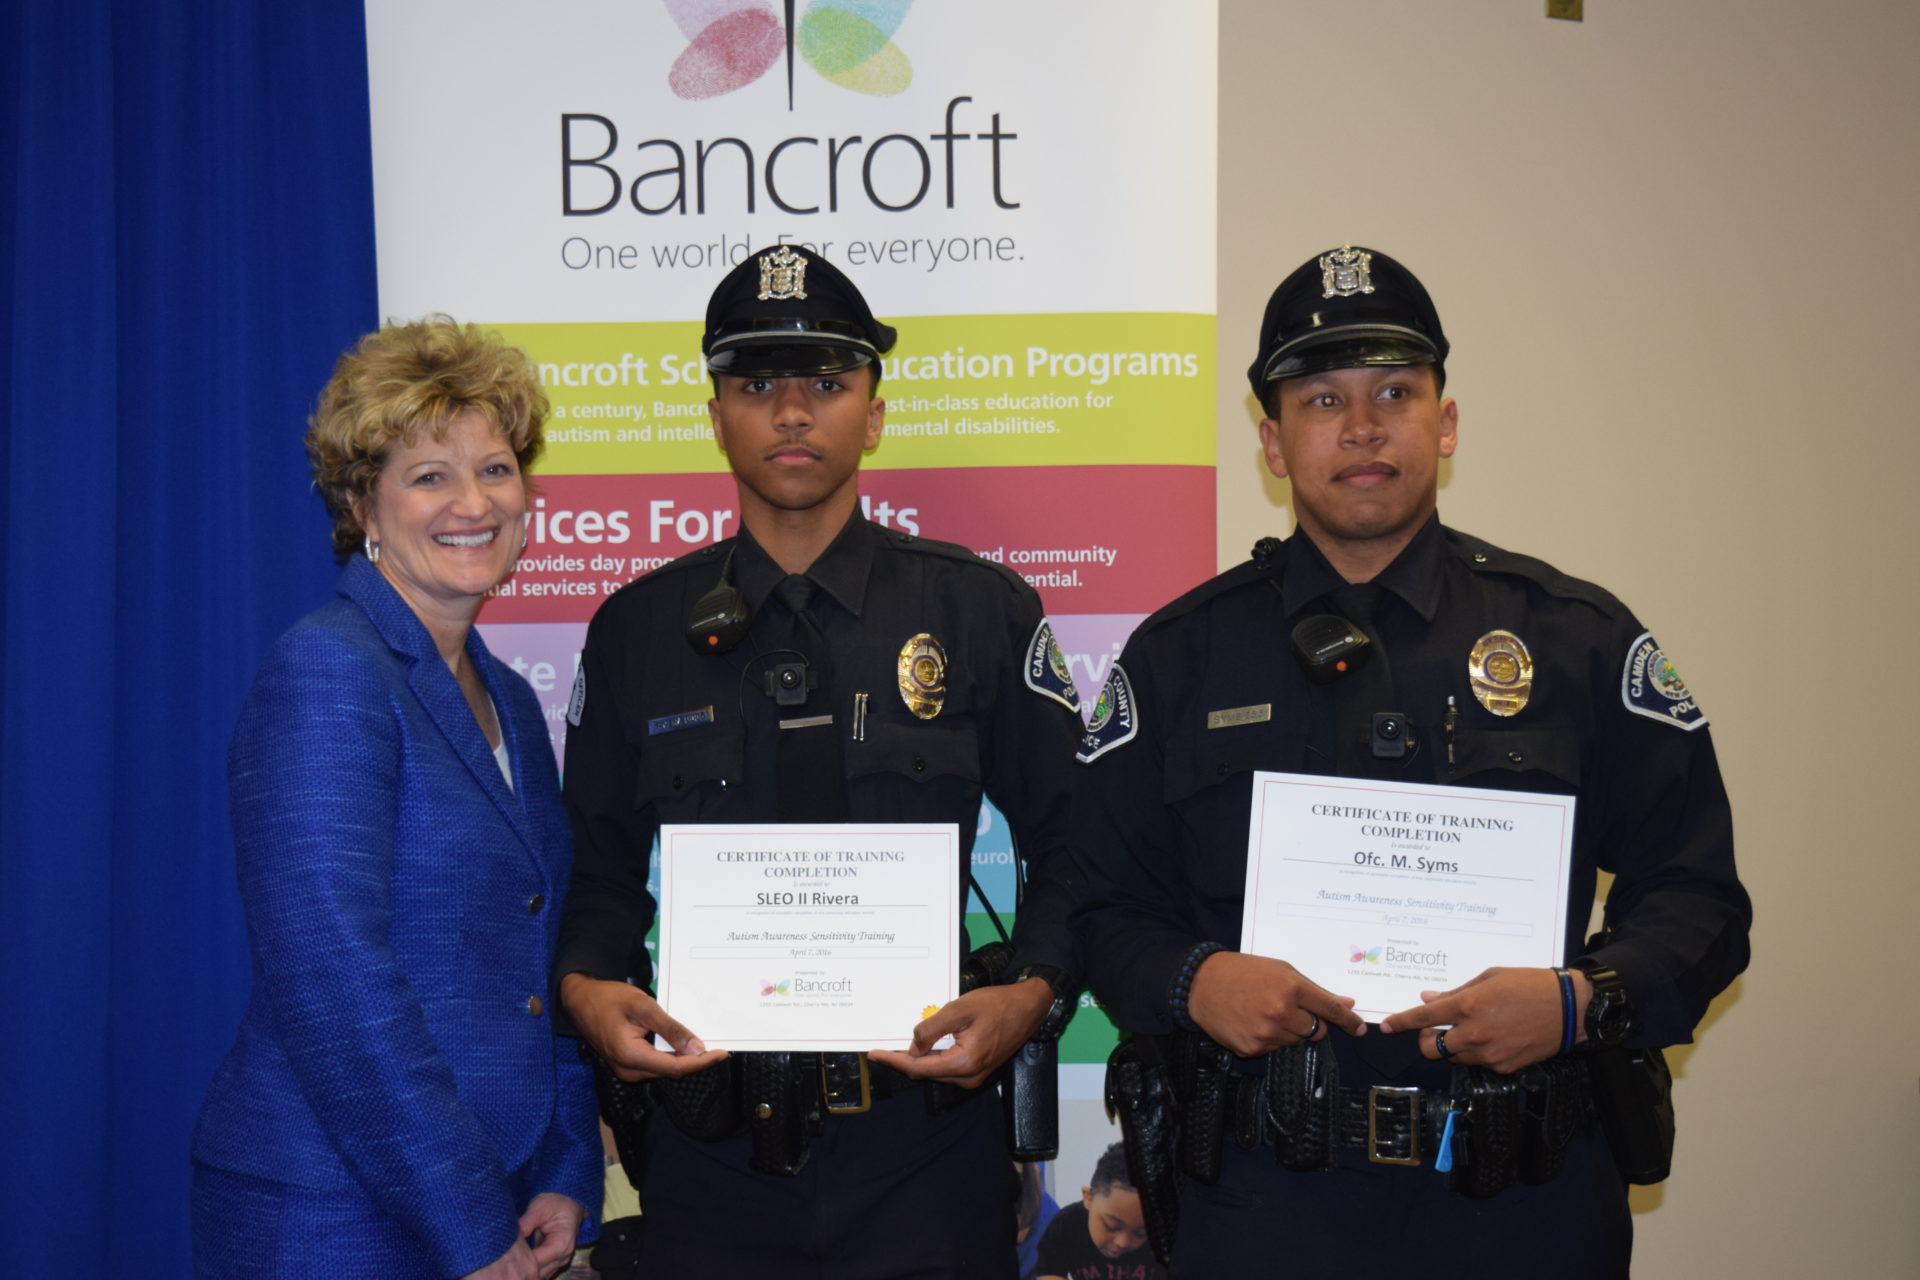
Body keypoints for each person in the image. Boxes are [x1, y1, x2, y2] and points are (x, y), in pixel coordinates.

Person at [1070, 246, 1750, 1276]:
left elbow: (1698, 896)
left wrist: (1581, 999)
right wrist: (1193, 979)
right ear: (1271, 438)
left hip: (1517, 1196)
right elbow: (1098, 898)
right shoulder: (1181, 657)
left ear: (1446, 419)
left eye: (1395, 390)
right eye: (1321, 398)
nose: (1362, 427)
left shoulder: (1573, 639)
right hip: (1261, 1198)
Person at [554, 244, 1084, 1277]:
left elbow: (1076, 843)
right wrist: (583, 985)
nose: (792, 411)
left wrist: (1031, 992)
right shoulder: (637, 631)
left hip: (923, 1140)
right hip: (707, 1150)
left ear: (875, 414)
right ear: (714, 417)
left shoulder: (975, 611)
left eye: (828, 383)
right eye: (756, 384)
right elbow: (597, 869)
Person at [191, 319, 601, 1280]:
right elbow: (334, 979)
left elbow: (544, 953)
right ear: (358, 504)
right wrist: (471, 1226)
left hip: (496, 1195)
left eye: (496, 470)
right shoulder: (327, 671)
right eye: (429, 477)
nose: (474, 503)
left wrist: (567, 1167)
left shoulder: (501, 693)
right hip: (333, 1213)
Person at [1027, 1143, 1163, 1280]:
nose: (1123, 1242)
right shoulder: (1066, 1224)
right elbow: (1049, 1273)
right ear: (1088, 1197)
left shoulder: (1163, 1234)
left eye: (1140, 1234)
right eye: (1111, 1226)